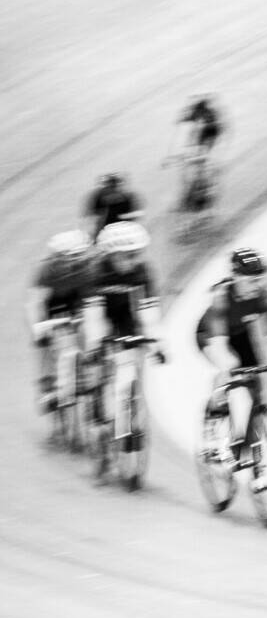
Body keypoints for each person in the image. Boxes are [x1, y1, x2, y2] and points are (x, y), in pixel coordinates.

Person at [196, 248, 267, 491]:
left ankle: (256, 463)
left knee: (256, 388)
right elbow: (219, 347)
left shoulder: (265, 297)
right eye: (252, 280)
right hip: (210, 335)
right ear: (236, 277)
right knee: (231, 368)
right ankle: (214, 428)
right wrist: (230, 371)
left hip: (240, 335)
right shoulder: (222, 298)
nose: (258, 284)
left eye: (260, 279)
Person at [84, 221, 166, 431]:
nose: (135, 260)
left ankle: (128, 403)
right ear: (113, 255)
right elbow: (93, 315)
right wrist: (94, 344)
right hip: (101, 314)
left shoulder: (142, 271)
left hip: (125, 315)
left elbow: (149, 311)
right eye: (130, 255)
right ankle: (96, 399)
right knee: (96, 354)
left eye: (138, 253)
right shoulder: (96, 272)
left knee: (130, 357)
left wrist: (156, 342)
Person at [26, 229, 98, 413]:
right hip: (51, 303)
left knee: (85, 329)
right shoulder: (47, 270)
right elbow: (35, 302)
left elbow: (92, 304)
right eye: (72, 257)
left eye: (80, 256)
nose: (77, 261)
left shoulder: (86, 269)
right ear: (58, 257)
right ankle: (47, 385)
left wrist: (92, 336)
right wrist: (38, 330)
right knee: (45, 341)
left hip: (76, 300)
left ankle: (86, 370)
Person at [83, 173, 143, 240]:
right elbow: (94, 215)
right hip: (110, 228)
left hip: (122, 227)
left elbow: (93, 215)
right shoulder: (100, 195)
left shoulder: (127, 195)